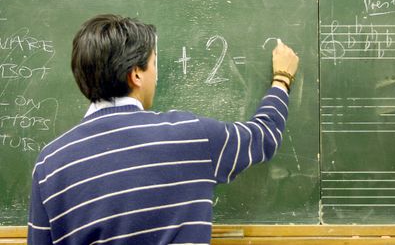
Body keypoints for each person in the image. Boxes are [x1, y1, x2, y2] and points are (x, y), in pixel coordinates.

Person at [28, 14, 299, 245]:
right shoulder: (192, 136)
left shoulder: (50, 164)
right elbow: (264, 136)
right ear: (136, 74)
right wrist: (282, 79)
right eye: (154, 63)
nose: (156, 76)